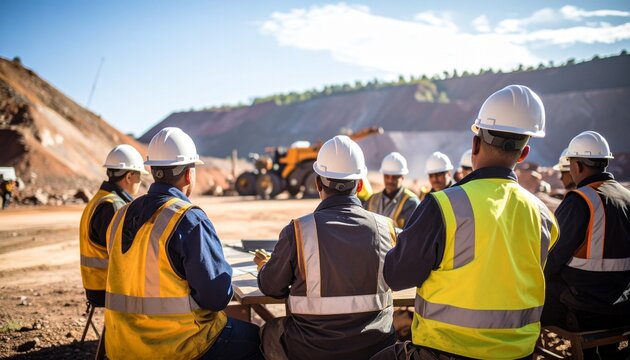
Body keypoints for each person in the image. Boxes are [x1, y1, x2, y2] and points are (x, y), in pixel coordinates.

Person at [374, 85, 559, 360]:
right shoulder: (544, 216)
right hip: (519, 354)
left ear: (474, 144)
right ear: (523, 154)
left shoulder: (444, 205)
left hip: (444, 351)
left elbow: (397, 276)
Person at [104, 127, 262, 360]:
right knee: (259, 340)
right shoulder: (188, 219)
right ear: (189, 174)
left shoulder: (119, 216)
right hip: (179, 347)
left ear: (153, 170)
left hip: (121, 346)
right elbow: (216, 298)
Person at [255, 135, 397, 360]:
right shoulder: (386, 229)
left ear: (318, 183)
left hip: (311, 350)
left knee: (267, 332)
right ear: (360, 184)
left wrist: (264, 266)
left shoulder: (299, 231)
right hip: (376, 349)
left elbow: (272, 287)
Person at [542, 131, 630, 334]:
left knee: (534, 286)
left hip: (584, 309)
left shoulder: (579, 201)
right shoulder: (627, 197)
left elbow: (552, 258)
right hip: (623, 306)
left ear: (577, 165)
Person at [79, 144, 147, 307]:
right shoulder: (113, 206)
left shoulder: (100, 199)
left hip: (97, 285)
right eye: (139, 176)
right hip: (108, 288)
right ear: (129, 176)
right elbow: (123, 255)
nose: (140, 181)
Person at [366, 152, 420, 230]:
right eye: (387, 176)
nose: (390, 180)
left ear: (402, 177)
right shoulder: (372, 200)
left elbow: (411, 235)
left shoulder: (411, 202)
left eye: (395, 177)